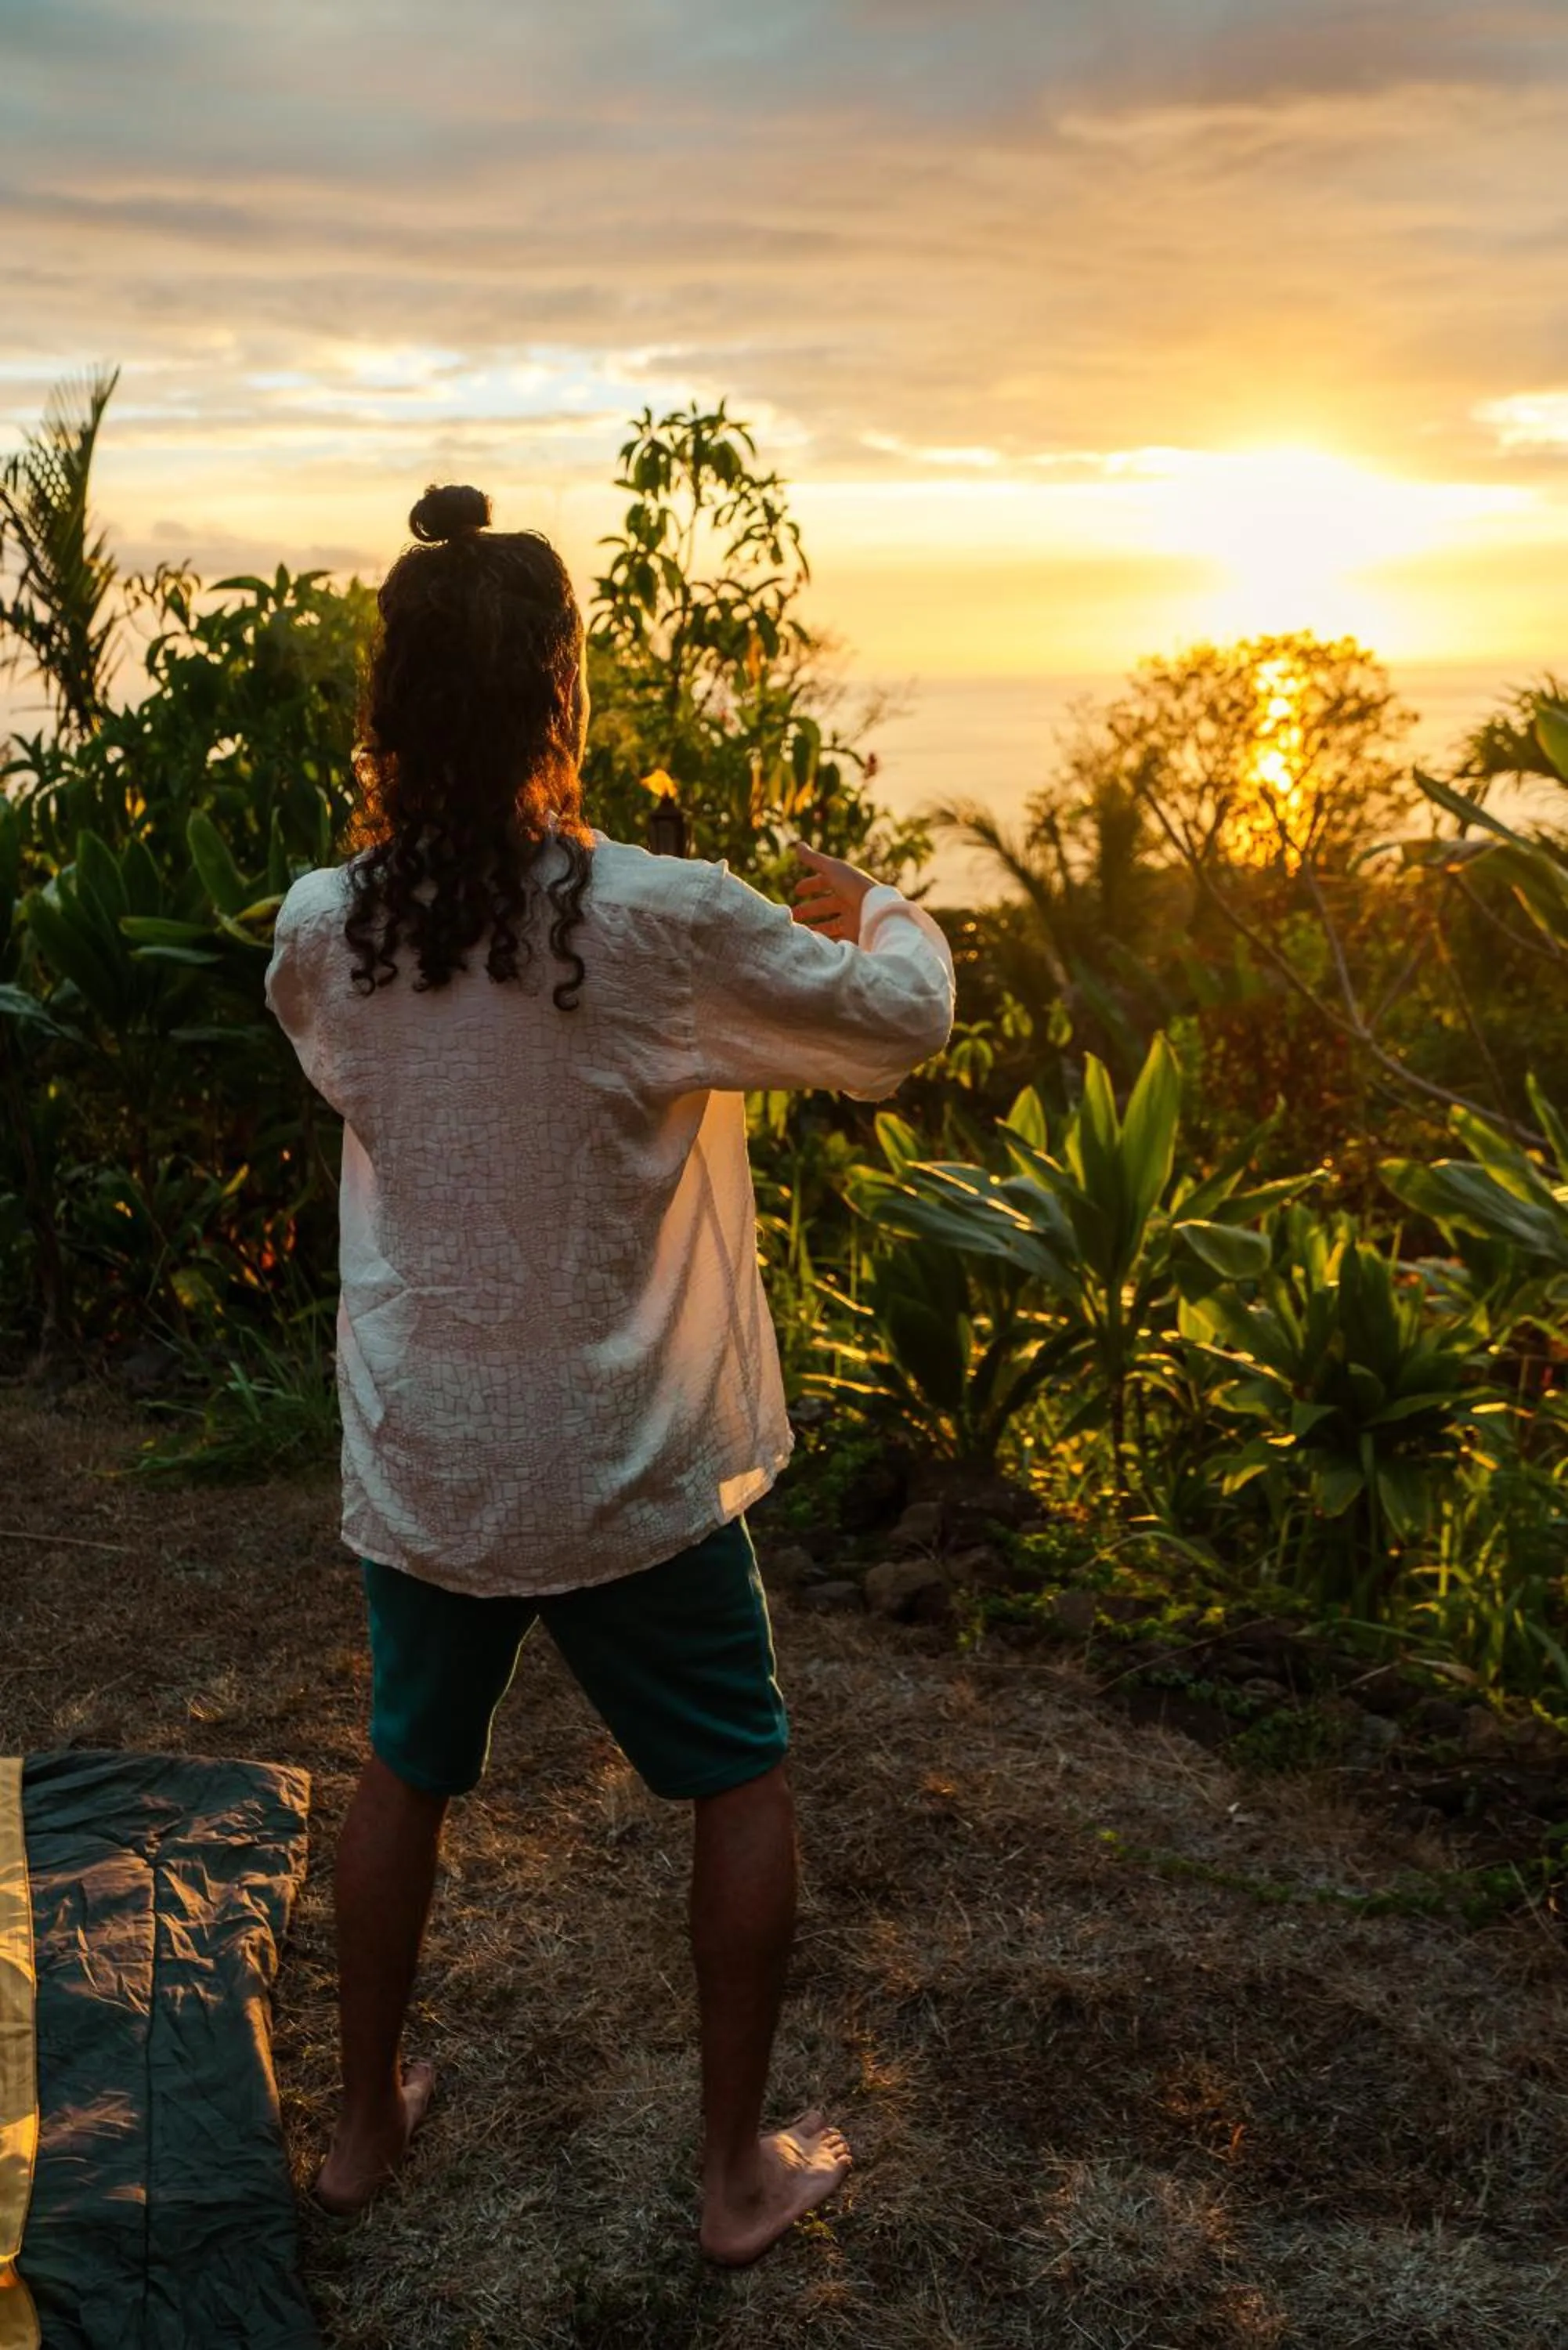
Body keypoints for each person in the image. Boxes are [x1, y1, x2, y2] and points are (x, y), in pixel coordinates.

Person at [263, 482, 955, 2265]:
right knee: (738, 1772)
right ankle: (731, 2178)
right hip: (620, 1450)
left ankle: (357, 2137)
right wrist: (879, 913)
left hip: (435, 1452)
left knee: (402, 1767)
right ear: (559, 696)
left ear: (393, 705)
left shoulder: (329, 927)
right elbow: (893, 1024)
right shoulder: (650, 922)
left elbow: (363, 1080)